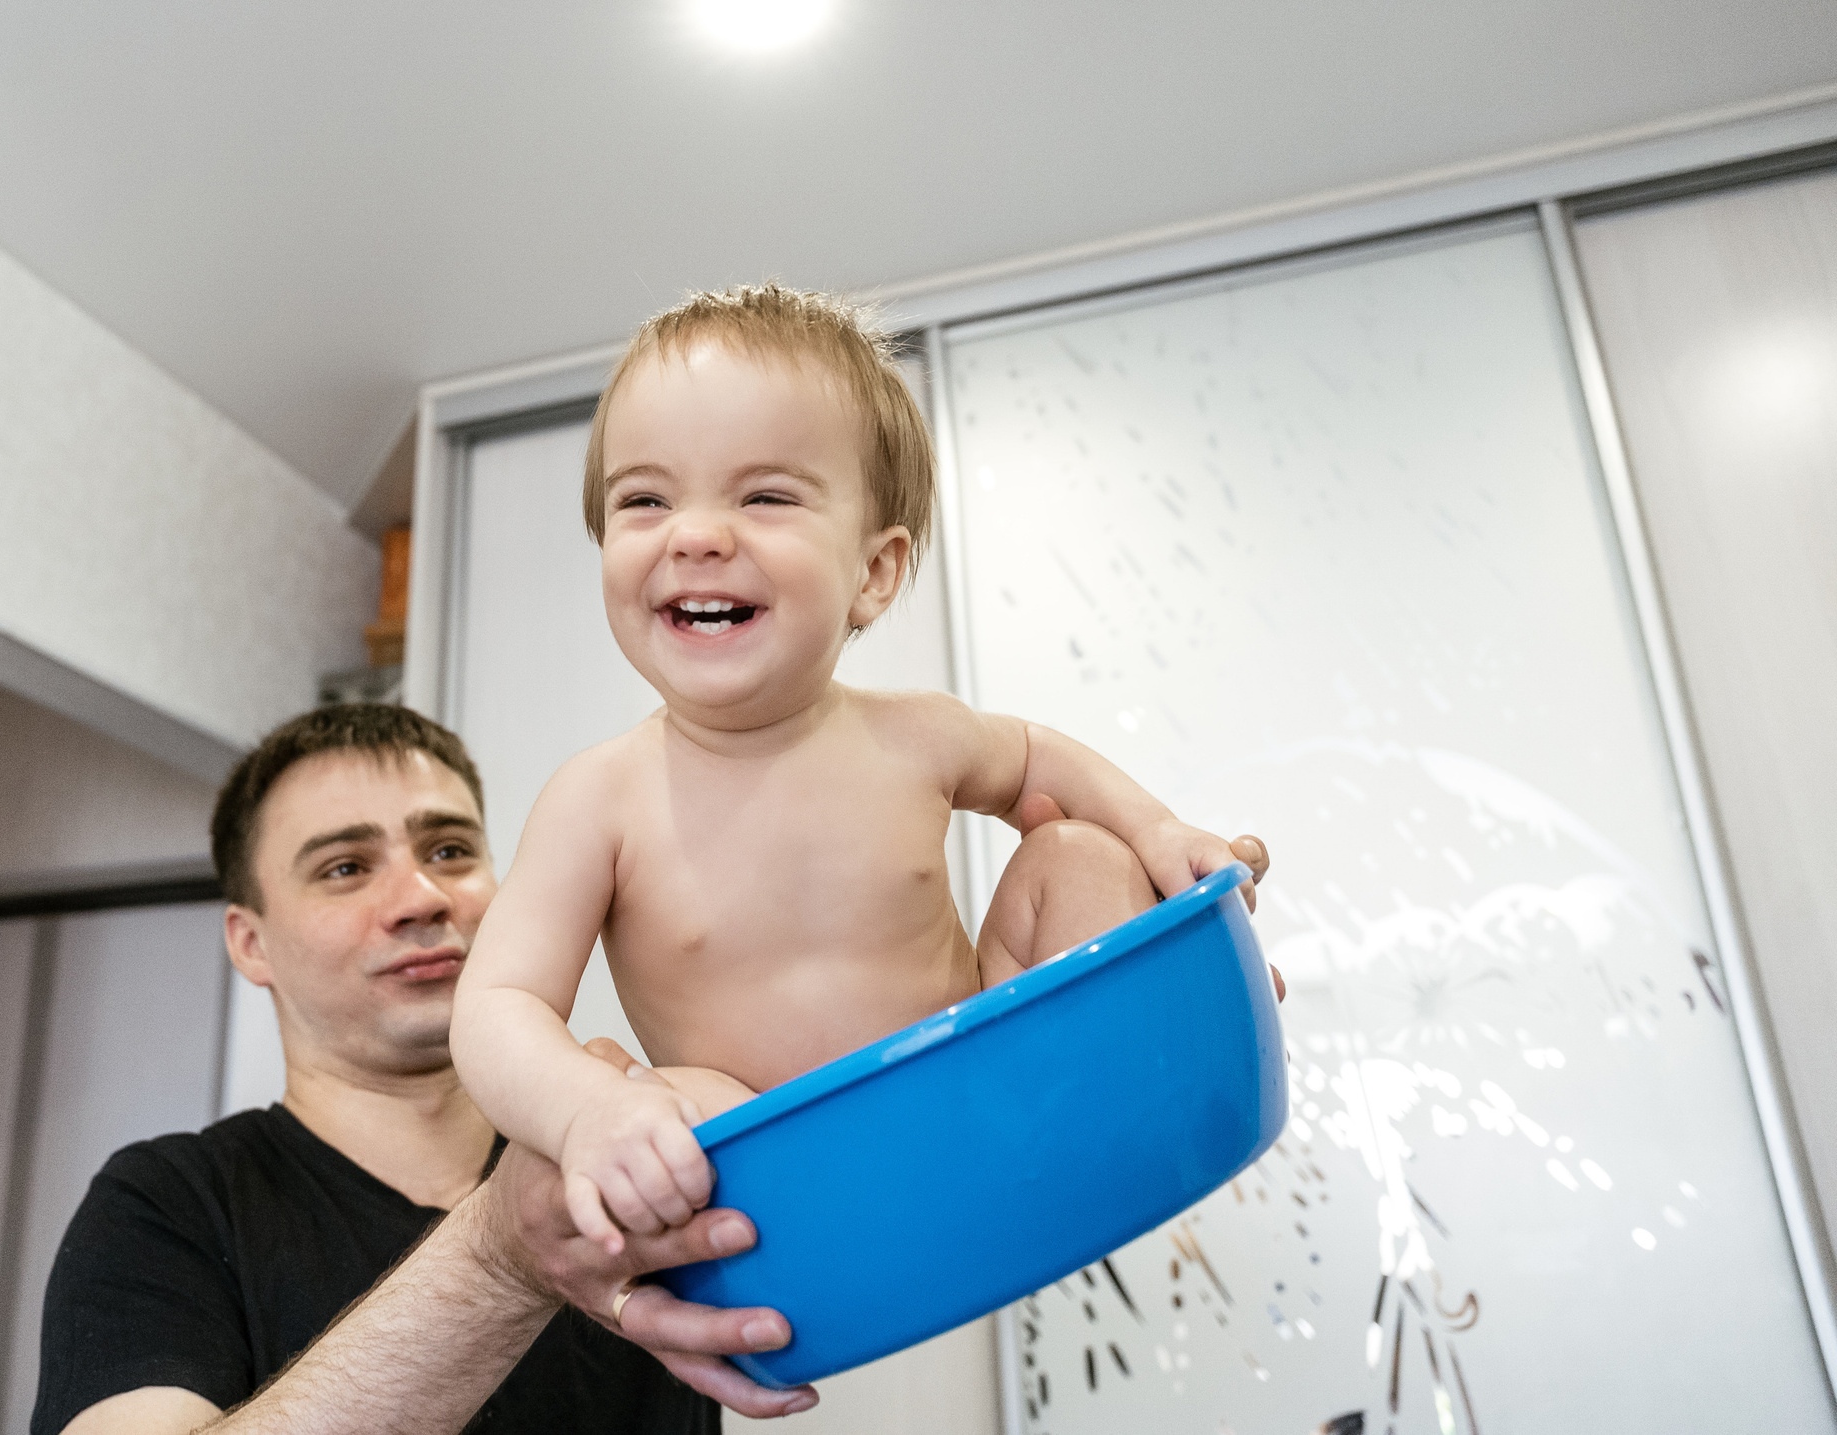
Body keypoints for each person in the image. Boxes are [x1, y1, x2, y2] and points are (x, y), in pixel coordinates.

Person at [452, 286, 1279, 1254]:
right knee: (666, 1100)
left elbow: (1040, 760)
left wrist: (1160, 838)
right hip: (781, 1170)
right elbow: (497, 1006)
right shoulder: (598, 798)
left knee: (1080, 851)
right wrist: (583, 1112)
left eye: (763, 496)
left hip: (988, 1092)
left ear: (874, 573)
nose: (695, 534)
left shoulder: (915, 737)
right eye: (644, 499)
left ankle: (1127, 1087)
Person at [33, 705, 821, 1435]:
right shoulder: (166, 1204)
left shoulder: (646, 1160)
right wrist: (501, 1251)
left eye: (449, 850)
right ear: (251, 942)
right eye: (345, 867)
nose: (421, 897)